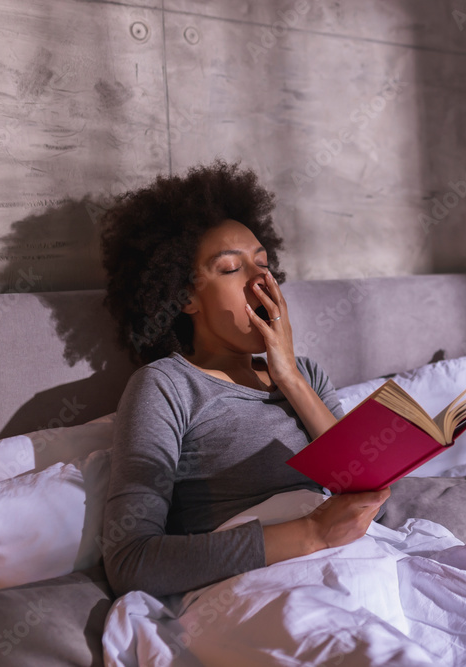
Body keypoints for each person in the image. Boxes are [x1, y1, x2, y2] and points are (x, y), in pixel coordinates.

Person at [97, 159, 389, 599]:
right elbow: (131, 562)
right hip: (264, 588)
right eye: (232, 269)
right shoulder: (166, 386)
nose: (261, 282)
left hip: (360, 560)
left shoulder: (306, 374)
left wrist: (288, 375)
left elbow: (369, 496)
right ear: (185, 296)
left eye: (264, 265)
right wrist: (312, 533)